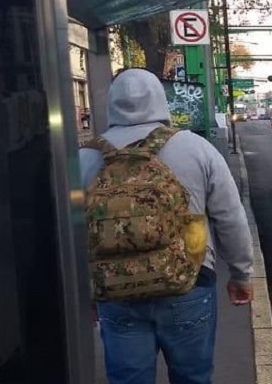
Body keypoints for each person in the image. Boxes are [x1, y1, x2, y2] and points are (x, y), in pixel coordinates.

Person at [80, 68, 254, 384]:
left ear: (111, 104)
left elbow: (74, 231)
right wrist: (241, 274)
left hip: (116, 292)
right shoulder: (195, 148)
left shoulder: (86, 157)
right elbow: (229, 217)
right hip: (190, 280)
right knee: (193, 377)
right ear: (161, 101)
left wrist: (86, 294)